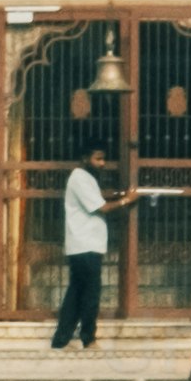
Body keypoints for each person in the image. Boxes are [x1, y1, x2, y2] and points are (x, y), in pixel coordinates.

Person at [53, 145, 136, 349]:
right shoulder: (80, 177)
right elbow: (102, 207)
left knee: (76, 292)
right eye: (98, 158)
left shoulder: (86, 179)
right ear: (84, 158)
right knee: (90, 293)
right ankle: (88, 338)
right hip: (85, 245)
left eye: (103, 159)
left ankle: (61, 339)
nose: (102, 163)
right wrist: (127, 200)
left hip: (85, 245)